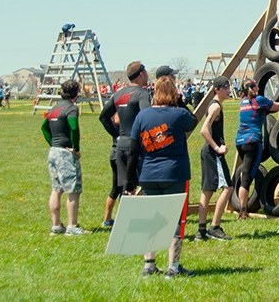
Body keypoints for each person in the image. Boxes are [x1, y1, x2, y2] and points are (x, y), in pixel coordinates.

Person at [125, 76, 198, 278]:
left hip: (148, 174)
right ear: (173, 92)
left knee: (152, 219)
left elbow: (133, 150)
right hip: (175, 173)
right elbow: (193, 120)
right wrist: (181, 101)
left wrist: (130, 180)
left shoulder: (143, 116)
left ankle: (149, 264)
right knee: (175, 221)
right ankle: (173, 267)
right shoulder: (179, 114)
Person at [98, 61, 151, 227]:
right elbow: (147, 116)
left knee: (125, 188)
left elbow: (103, 117)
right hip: (137, 147)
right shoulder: (142, 94)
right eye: (146, 71)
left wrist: (117, 135)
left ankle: (124, 224)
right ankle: (141, 221)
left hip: (121, 146)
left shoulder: (119, 94)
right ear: (141, 74)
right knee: (145, 184)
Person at [235, 78, 279, 219]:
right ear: (254, 88)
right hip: (252, 142)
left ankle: (242, 207)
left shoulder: (243, 101)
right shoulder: (259, 100)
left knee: (245, 172)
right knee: (247, 179)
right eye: (256, 84)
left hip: (239, 141)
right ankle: (242, 212)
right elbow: (277, 105)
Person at [41, 80, 91, 236]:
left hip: (53, 151)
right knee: (73, 189)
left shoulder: (54, 108)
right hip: (65, 152)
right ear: (76, 93)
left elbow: (44, 127)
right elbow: (74, 127)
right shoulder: (71, 108)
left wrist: (53, 142)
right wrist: (75, 148)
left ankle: (56, 226)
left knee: (57, 189)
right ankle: (72, 226)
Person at [196, 76, 234, 241]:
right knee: (228, 188)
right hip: (213, 153)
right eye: (224, 87)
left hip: (209, 153)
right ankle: (214, 227)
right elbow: (204, 130)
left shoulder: (216, 105)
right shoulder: (215, 107)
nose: (227, 89)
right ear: (216, 90)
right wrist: (217, 147)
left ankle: (201, 230)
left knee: (208, 190)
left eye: (228, 86)